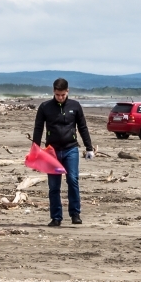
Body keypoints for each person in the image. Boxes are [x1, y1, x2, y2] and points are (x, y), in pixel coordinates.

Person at [32, 77, 95, 227]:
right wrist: (35, 148)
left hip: (71, 149)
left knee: (72, 180)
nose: (60, 98)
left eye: (63, 95)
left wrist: (89, 148)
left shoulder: (75, 106)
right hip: (51, 152)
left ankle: (75, 214)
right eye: (58, 95)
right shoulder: (45, 107)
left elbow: (83, 128)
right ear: (54, 91)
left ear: (68, 91)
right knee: (54, 186)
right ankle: (56, 217)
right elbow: (38, 128)